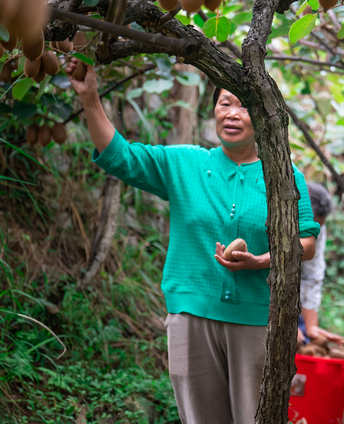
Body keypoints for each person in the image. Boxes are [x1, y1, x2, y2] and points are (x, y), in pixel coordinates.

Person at [65, 59, 320, 424]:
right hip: (190, 317)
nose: (232, 113)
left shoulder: (284, 175)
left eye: (244, 105)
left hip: (257, 321)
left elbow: (306, 242)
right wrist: (89, 97)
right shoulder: (185, 163)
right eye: (225, 104)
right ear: (214, 112)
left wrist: (263, 260)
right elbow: (120, 156)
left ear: (264, 115)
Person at [298, 182, 343, 345]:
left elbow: (311, 274)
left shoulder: (317, 227)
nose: (313, 233)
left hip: (287, 298)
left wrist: (311, 327)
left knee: (303, 340)